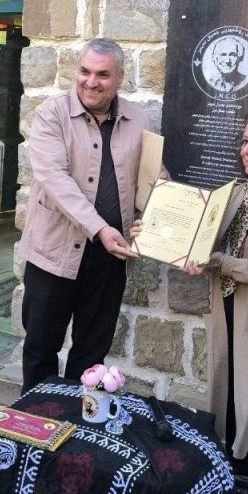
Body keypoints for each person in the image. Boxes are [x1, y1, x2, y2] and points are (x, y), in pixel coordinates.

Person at [137, 109, 248, 494]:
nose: (246, 150)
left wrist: (224, 264)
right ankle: (236, 481)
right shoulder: (239, 193)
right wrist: (154, 230)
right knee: (233, 398)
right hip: (232, 313)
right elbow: (205, 241)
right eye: (244, 141)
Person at [19, 38, 149, 394]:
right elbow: (55, 180)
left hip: (108, 259)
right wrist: (100, 228)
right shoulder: (51, 114)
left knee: (91, 356)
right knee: (41, 350)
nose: (91, 82)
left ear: (120, 77)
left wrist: (155, 218)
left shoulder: (138, 119)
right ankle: (38, 421)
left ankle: (78, 424)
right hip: (53, 255)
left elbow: (153, 177)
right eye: (85, 71)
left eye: (102, 75)